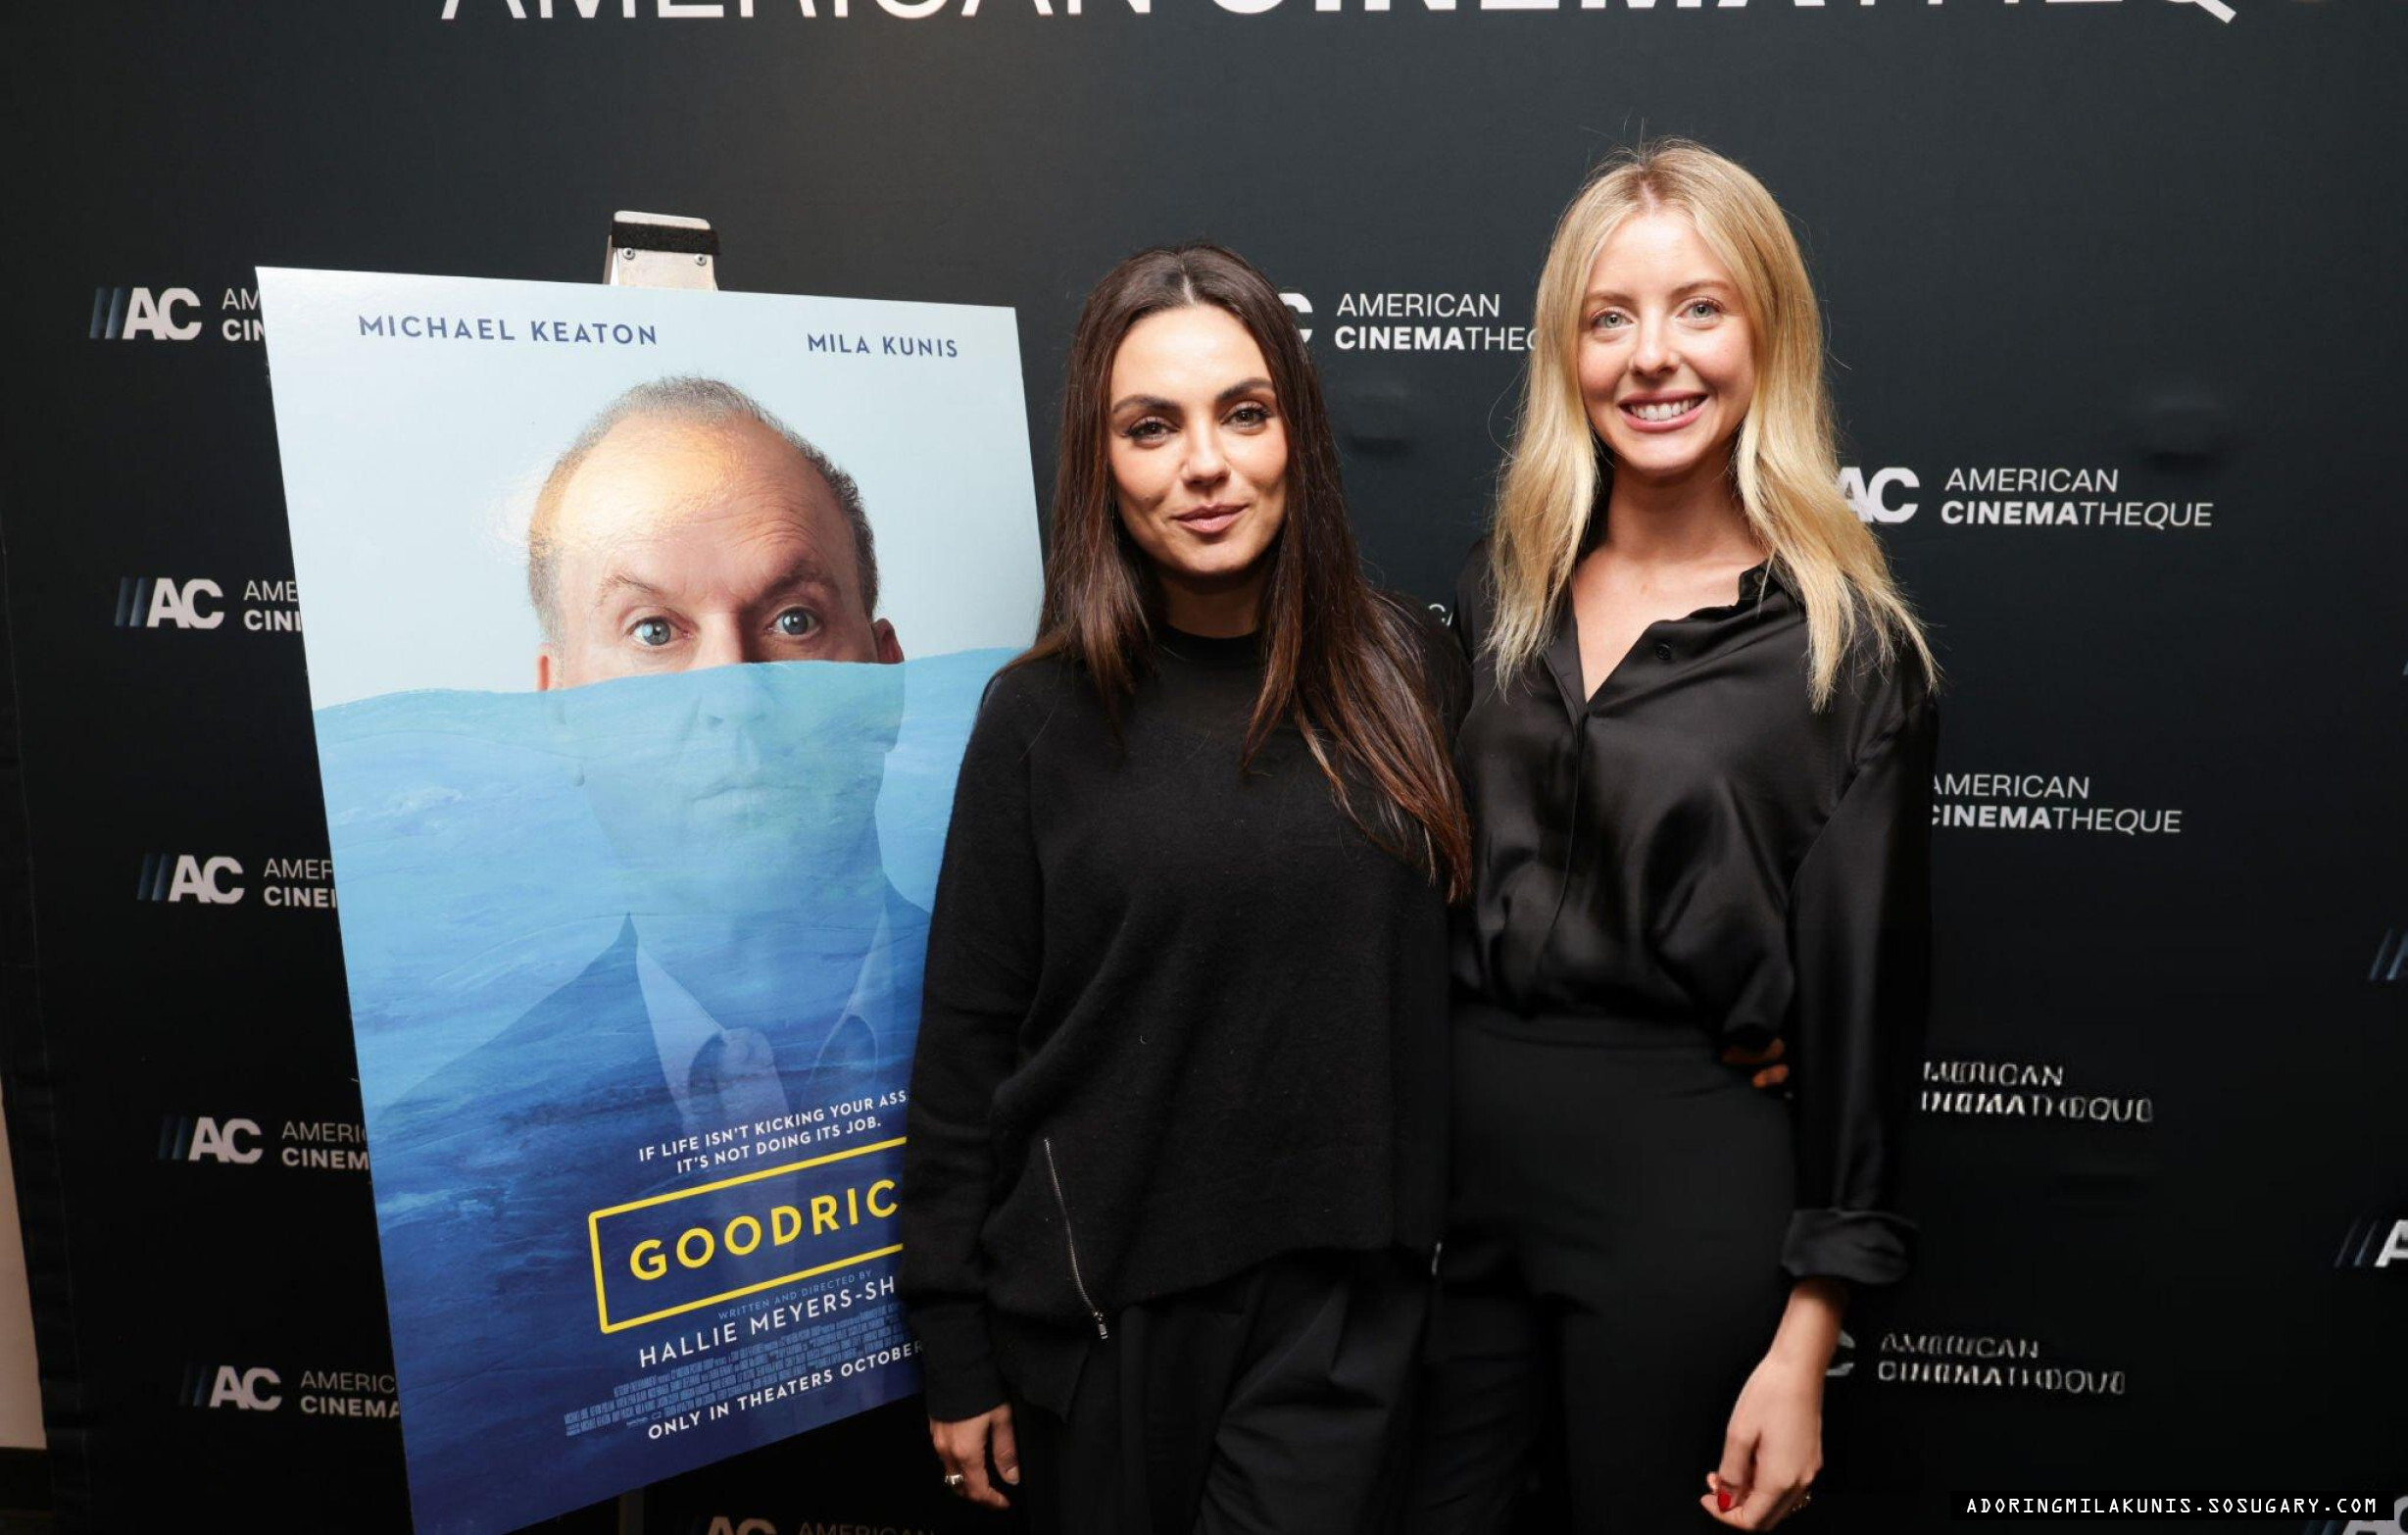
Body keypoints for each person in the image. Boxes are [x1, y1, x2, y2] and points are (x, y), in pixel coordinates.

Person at [1406, 142, 1940, 1534]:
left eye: (1700, 307)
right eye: (1610, 317)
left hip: (1680, 1190)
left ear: (1768, 334)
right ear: (1566, 353)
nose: (1653, 356)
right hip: (1449, 1187)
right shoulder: (1500, 594)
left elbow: (1866, 1020)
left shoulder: (1846, 652)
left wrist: (1805, 1347)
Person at [899, 244, 1472, 1534]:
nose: (1204, 464)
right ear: (1100, 461)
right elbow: (965, 1051)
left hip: (1347, 1311)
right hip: (1108, 1318)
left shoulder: (1410, 672)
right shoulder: (1037, 722)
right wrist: (954, 1338)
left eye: (1244, 413)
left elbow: (1504, 935)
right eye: (1151, 427)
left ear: (1297, 434)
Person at [370, 377, 923, 1523]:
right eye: (655, 631)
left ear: (886, 682)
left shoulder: (1062, 1041)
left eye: (793, 619)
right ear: (559, 713)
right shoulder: (446, 1173)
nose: (736, 698)